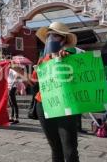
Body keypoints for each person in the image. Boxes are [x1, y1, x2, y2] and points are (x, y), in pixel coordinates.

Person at [33, 22, 80, 162]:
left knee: (70, 150)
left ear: (64, 39)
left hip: (66, 106)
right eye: (48, 36)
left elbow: (82, 71)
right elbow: (34, 79)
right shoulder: (44, 58)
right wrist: (41, 65)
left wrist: (68, 57)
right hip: (43, 105)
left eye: (55, 35)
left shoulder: (73, 54)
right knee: (55, 150)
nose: (51, 38)